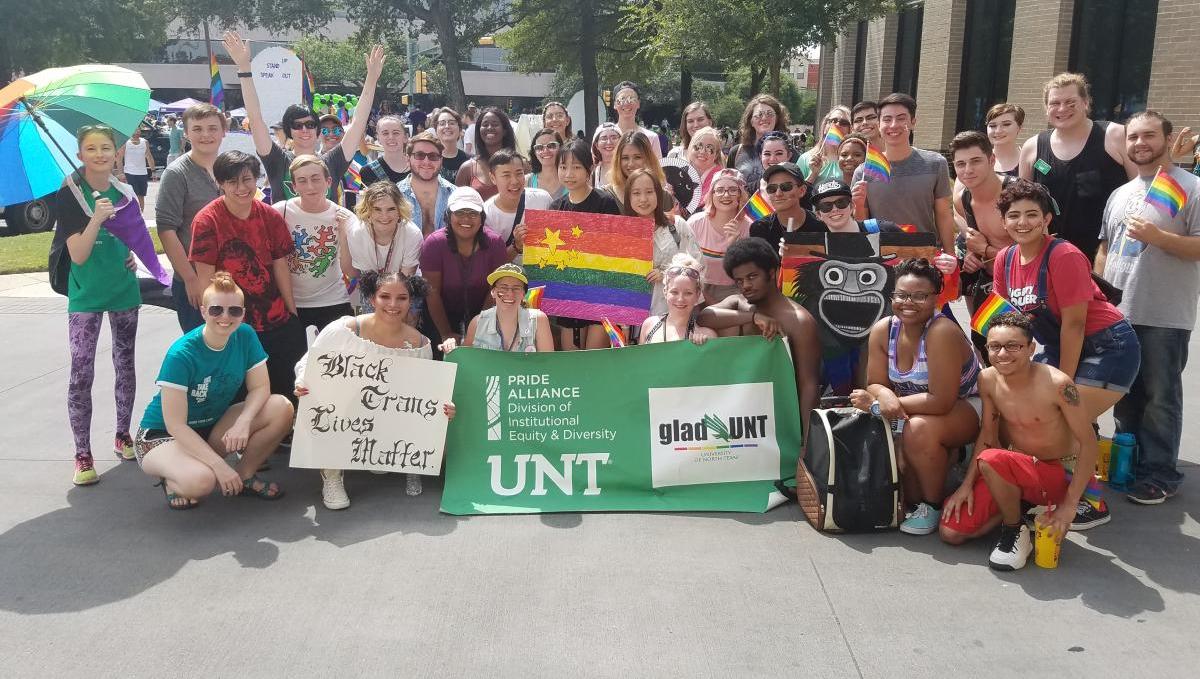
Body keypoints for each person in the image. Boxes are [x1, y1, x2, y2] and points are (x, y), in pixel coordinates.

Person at [992, 179, 1140, 530]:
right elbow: (1007, 322)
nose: (1022, 222)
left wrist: (1062, 386)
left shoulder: (1064, 255)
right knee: (1026, 411)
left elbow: (1074, 325)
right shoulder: (1004, 259)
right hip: (1058, 345)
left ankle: (1092, 501)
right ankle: (1049, 486)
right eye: (1014, 215)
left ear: (1046, 220)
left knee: (1057, 417)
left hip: (1108, 347)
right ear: (1004, 221)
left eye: (1032, 214)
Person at [940, 312, 1099, 571]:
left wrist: (1069, 506)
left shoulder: (1058, 384)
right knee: (951, 531)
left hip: (1058, 472)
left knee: (991, 460)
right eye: (995, 346)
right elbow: (988, 435)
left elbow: (1089, 443)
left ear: (1031, 349)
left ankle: (1014, 529)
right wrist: (966, 485)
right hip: (1017, 468)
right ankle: (1021, 509)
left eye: (1013, 346)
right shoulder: (987, 379)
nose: (1003, 354)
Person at [1097, 110, 1200, 504]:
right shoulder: (1121, 193)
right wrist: (1099, 294)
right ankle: (1130, 463)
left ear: (1167, 140)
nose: (1140, 143)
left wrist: (1159, 237)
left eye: (1149, 135)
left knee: (1160, 397)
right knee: (1125, 394)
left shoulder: (1189, 187)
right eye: (1134, 137)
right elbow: (1105, 248)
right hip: (1119, 314)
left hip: (1164, 314)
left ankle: (1160, 473)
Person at [295, 271, 456, 506]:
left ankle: (399, 458)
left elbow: (424, 393)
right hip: (347, 409)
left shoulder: (420, 343)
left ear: (410, 301)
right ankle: (332, 475)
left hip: (387, 414)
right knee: (326, 397)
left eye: (402, 298)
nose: (393, 304)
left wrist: (443, 406)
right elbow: (308, 363)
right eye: (385, 296)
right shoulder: (344, 330)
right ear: (372, 299)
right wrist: (302, 382)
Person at [850, 258, 982, 535]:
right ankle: (952, 456)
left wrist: (880, 405)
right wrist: (884, 395)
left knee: (917, 431)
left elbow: (941, 400)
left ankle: (931, 506)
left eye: (920, 296)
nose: (908, 303)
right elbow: (875, 382)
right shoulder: (884, 329)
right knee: (908, 492)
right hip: (917, 409)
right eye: (901, 295)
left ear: (936, 298)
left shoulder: (941, 332)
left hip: (965, 405)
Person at [136, 272, 292, 507]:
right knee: (201, 482)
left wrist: (243, 422)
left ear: (243, 314)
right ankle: (172, 479)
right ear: (203, 311)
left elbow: (260, 387)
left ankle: (244, 476)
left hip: (210, 425)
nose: (225, 317)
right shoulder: (181, 354)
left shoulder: (245, 335)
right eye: (216, 310)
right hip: (163, 435)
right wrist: (220, 466)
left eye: (234, 311)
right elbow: (175, 425)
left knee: (281, 407)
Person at [54, 124, 143, 485]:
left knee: (125, 364)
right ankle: (82, 454)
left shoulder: (126, 191)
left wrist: (132, 255)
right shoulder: (70, 193)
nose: (100, 155)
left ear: (116, 151)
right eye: (91, 149)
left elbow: (133, 235)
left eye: (106, 147)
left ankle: (123, 434)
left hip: (123, 290)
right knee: (81, 372)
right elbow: (77, 254)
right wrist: (96, 218)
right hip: (86, 295)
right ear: (80, 155)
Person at [190, 151, 306, 403]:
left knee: (287, 392)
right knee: (240, 399)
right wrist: (215, 323)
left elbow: (280, 266)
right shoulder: (207, 221)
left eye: (247, 180)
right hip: (232, 323)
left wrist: (292, 312)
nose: (241, 188)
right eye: (232, 182)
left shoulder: (270, 216)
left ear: (257, 179)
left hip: (275, 319)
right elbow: (206, 279)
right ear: (220, 183)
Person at [224, 31, 383, 204]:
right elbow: (255, 119)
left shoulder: (332, 162)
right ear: (289, 131)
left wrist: (371, 79)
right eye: (297, 125)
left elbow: (358, 123)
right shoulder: (277, 160)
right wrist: (244, 69)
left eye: (310, 124)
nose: (304, 129)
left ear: (317, 130)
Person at [697, 238, 821, 433]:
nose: (745, 285)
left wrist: (806, 440)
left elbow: (809, 386)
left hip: (781, 421)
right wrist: (753, 317)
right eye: (739, 281)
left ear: (771, 273)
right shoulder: (739, 303)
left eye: (752, 276)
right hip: (739, 420)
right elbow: (704, 317)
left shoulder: (799, 321)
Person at [1019, 72, 1135, 262]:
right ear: (1046, 108)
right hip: (1051, 256)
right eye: (1055, 103)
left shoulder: (1115, 136)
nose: (1062, 108)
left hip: (1108, 256)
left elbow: (1142, 189)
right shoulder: (1032, 147)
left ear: (1086, 103)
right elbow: (1022, 204)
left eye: (1071, 102)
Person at [851, 93, 955, 251]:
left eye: (901, 118)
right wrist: (858, 205)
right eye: (887, 119)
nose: (893, 125)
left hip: (924, 255)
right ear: (879, 124)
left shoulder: (935, 163)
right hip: (882, 256)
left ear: (913, 122)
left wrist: (951, 256)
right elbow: (862, 224)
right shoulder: (864, 171)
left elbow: (944, 215)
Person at [157, 103, 227, 331]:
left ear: (224, 132)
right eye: (197, 129)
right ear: (186, 133)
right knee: (202, 345)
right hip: (196, 280)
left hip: (230, 280)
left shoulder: (229, 169)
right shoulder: (177, 174)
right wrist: (189, 278)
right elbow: (166, 230)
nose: (206, 135)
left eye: (212, 128)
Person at [549, 139, 623, 349]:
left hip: (601, 295)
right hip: (569, 297)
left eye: (576, 167)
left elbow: (617, 250)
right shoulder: (556, 208)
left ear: (589, 169)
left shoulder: (605, 202)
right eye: (563, 167)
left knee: (594, 358)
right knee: (571, 358)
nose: (569, 174)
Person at [951, 131, 1017, 358]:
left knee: (1015, 347)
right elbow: (978, 241)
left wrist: (985, 250)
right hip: (990, 281)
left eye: (975, 161)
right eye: (961, 164)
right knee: (983, 342)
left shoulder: (1018, 195)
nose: (968, 170)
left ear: (991, 160)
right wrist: (974, 255)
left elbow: (1037, 255)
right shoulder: (962, 199)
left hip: (1024, 286)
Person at [273, 155, 355, 333]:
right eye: (302, 181)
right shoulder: (280, 212)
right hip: (292, 303)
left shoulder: (345, 217)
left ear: (328, 182)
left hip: (333, 301)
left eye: (316, 179)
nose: (310, 186)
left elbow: (351, 271)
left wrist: (343, 234)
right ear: (294, 186)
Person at [421, 187, 510, 346]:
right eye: (460, 213)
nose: (466, 219)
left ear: (482, 218)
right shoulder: (433, 244)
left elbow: (495, 290)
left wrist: (479, 330)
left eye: (473, 213)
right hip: (440, 315)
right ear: (448, 215)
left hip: (484, 313)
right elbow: (432, 292)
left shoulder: (495, 243)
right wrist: (445, 333)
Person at [623, 168, 699, 316]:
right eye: (636, 193)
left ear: (658, 193)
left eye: (649, 192)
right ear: (628, 197)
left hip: (673, 311)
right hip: (633, 315)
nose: (643, 199)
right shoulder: (620, 233)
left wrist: (668, 274)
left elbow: (697, 264)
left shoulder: (677, 225)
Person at [441, 264, 555, 353]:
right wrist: (451, 347)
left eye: (516, 288)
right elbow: (466, 360)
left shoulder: (539, 320)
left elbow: (547, 364)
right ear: (493, 292)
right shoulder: (477, 323)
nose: (509, 293)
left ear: (523, 294)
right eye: (503, 288)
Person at [345, 181, 423, 306]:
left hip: (405, 290)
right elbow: (367, 279)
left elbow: (405, 281)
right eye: (377, 209)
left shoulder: (412, 234)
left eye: (391, 209)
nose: (384, 216)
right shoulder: (357, 233)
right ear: (368, 211)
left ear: (400, 211)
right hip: (372, 289)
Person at [688, 169, 752, 305]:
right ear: (712, 194)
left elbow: (749, 273)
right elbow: (684, 262)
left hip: (733, 290)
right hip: (697, 287)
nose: (726, 195)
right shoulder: (695, 223)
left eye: (733, 190)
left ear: (740, 195)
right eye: (720, 190)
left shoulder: (749, 227)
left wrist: (734, 246)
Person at [484, 147, 552, 264]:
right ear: (493, 178)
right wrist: (517, 245)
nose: (515, 181)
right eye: (506, 175)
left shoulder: (542, 199)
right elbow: (491, 263)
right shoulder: (486, 214)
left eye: (519, 173)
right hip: (509, 275)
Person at [639, 253, 716, 344]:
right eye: (674, 292)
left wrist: (701, 348)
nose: (680, 299)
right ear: (665, 292)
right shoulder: (649, 325)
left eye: (688, 293)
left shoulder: (707, 336)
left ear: (698, 295)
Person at [749, 162, 823, 245]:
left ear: (802, 190)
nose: (778, 194)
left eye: (786, 187)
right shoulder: (760, 228)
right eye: (772, 188)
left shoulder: (821, 224)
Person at [399, 131, 456, 235]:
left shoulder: (455, 195)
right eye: (419, 155)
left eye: (433, 156)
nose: (426, 162)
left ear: (441, 160)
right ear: (408, 159)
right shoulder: (395, 196)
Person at [456, 106, 515, 201]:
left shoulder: (520, 165)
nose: (490, 128)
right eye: (485, 124)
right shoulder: (467, 169)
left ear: (504, 131)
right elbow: (457, 205)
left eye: (495, 124)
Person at [728, 94, 789, 179]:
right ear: (751, 121)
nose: (764, 118)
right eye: (759, 114)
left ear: (777, 119)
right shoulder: (736, 152)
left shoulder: (789, 152)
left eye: (769, 114)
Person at [809, 179, 902, 234]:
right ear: (818, 214)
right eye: (826, 206)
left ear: (852, 206)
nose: (835, 209)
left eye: (841, 202)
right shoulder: (814, 246)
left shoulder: (886, 230)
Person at [609, 130, 666, 207]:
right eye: (625, 158)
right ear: (618, 160)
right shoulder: (605, 197)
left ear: (649, 158)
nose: (631, 164)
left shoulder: (664, 196)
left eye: (637, 157)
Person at [799, 106, 851, 185]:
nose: (837, 125)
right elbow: (796, 190)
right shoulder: (805, 158)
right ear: (824, 127)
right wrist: (813, 174)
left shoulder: (853, 160)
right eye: (833, 121)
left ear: (850, 130)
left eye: (844, 123)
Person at [611, 81, 662, 158]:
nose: (627, 103)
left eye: (632, 99)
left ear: (638, 103)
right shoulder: (606, 138)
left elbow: (657, 165)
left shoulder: (650, 137)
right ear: (615, 104)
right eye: (622, 99)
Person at [358, 114, 410, 185]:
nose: (391, 137)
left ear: (405, 137)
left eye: (396, 133)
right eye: (385, 133)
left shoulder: (419, 166)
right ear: (378, 138)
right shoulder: (367, 172)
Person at [116, 126, 155, 211]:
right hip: (129, 173)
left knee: (141, 195)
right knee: (133, 195)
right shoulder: (126, 143)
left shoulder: (145, 142)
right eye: (134, 130)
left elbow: (149, 156)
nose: (136, 132)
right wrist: (121, 173)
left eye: (138, 130)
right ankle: (133, 214)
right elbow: (119, 158)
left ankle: (141, 214)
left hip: (142, 173)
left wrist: (153, 171)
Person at [686, 125, 724, 205]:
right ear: (691, 148)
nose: (702, 152)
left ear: (716, 155)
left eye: (709, 148)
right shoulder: (681, 173)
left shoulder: (722, 179)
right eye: (698, 146)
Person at [985, 103, 1024, 177]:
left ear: (1020, 128)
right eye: (992, 125)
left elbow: (1047, 174)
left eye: (1006, 124)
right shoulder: (976, 160)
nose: (998, 131)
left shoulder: (1032, 159)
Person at [432, 107, 470, 182]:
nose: (447, 126)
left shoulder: (470, 161)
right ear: (436, 131)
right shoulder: (429, 160)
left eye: (452, 123)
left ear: (460, 130)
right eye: (442, 123)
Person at [526, 128, 565, 199]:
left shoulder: (571, 179)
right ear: (534, 153)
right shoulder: (526, 181)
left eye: (551, 146)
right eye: (539, 147)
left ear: (561, 148)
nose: (545, 151)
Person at [591, 122, 621, 188]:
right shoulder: (593, 173)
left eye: (614, 138)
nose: (609, 142)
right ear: (596, 145)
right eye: (604, 138)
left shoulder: (627, 168)